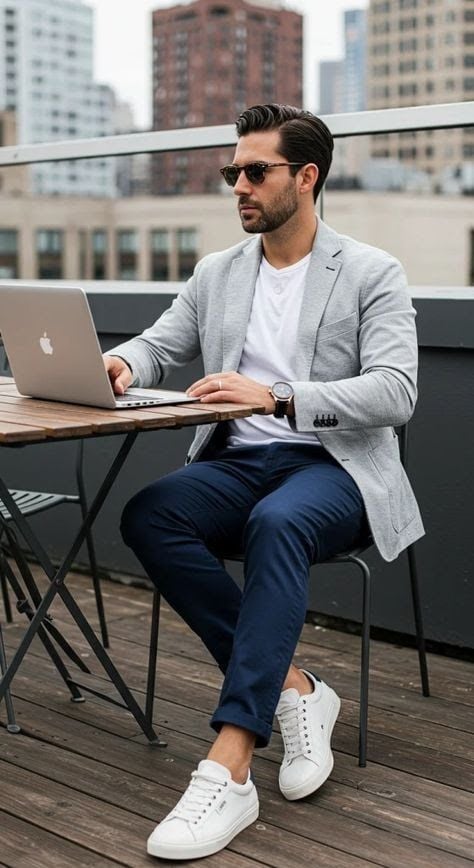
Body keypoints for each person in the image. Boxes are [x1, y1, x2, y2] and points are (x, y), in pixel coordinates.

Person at [104, 104, 424, 862]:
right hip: (239, 465)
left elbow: (396, 390)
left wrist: (280, 396)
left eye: (255, 172)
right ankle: (295, 689)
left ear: (306, 177)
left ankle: (232, 760)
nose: (238, 186)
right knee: (150, 514)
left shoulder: (372, 270)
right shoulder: (219, 272)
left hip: (334, 467)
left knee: (277, 523)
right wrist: (121, 364)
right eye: (232, 173)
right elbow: (160, 342)